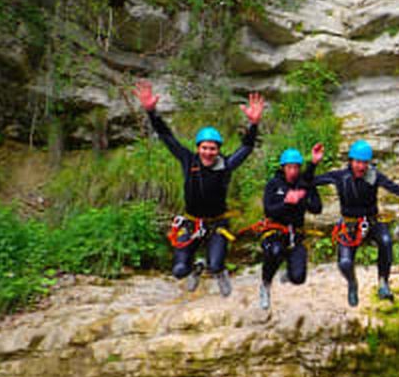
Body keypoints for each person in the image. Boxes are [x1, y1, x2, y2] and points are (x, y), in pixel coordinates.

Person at [132, 80, 265, 296]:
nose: (208, 152)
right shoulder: (188, 160)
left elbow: (247, 147)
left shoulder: (226, 165)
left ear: (218, 150)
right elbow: (167, 137)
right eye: (204, 148)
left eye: (213, 148)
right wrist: (151, 111)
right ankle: (196, 267)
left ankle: (218, 271)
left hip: (216, 224)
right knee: (179, 270)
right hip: (191, 222)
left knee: (216, 264)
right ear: (198, 148)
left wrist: (254, 124)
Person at [314, 140, 399, 307]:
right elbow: (310, 181)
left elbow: (395, 189)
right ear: (351, 161)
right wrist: (313, 163)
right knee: (344, 263)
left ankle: (383, 282)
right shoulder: (340, 177)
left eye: (365, 163)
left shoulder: (373, 176)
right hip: (349, 224)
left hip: (372, 223)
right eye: (358, 162)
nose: (361, 166)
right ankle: (352, 284)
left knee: (386, 242)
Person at [257, 143, 325, 310]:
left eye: (296, 167)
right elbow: (269, 209)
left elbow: (317, 208)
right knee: (275, 251)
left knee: (298, 278)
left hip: (296, 236)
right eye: (289, 167)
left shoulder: (305, 184)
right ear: (283, 168)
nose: (293, 171)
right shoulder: (274, 184)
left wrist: (304, 198)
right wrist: (287, 202)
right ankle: (265, 284)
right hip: (275, 232)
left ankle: (289, 272)